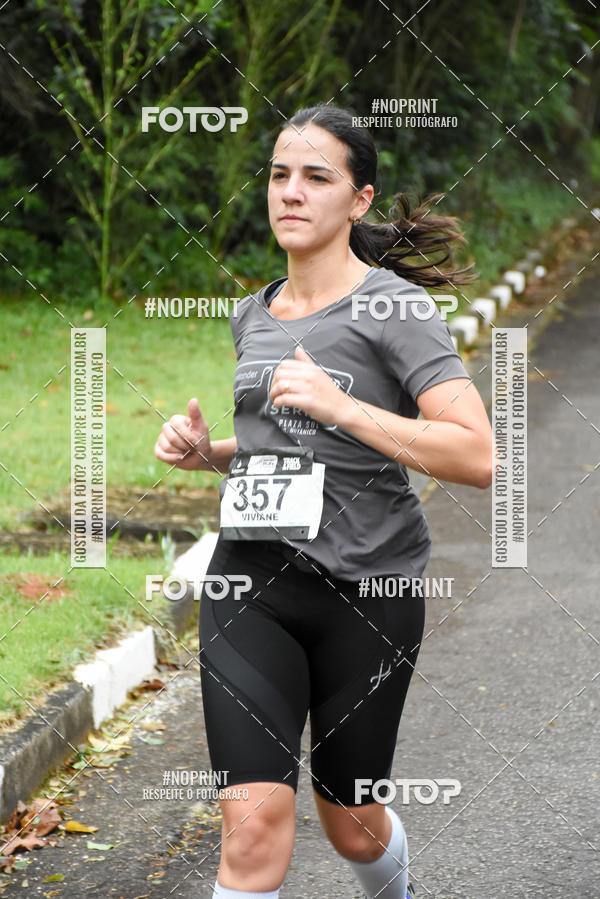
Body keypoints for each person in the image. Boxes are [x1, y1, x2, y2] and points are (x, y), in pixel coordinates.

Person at [154, 103, 492, 899]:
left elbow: (475, 455)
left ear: (360, 199)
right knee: (253, 829)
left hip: (368, 592)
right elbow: (288, 444)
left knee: (351, 820)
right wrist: (214, 454)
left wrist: (343, 406)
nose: (291, 192)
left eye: (316, 176)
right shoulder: (253, 311)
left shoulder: (396, 309)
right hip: (251, 587)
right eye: (279, 175)